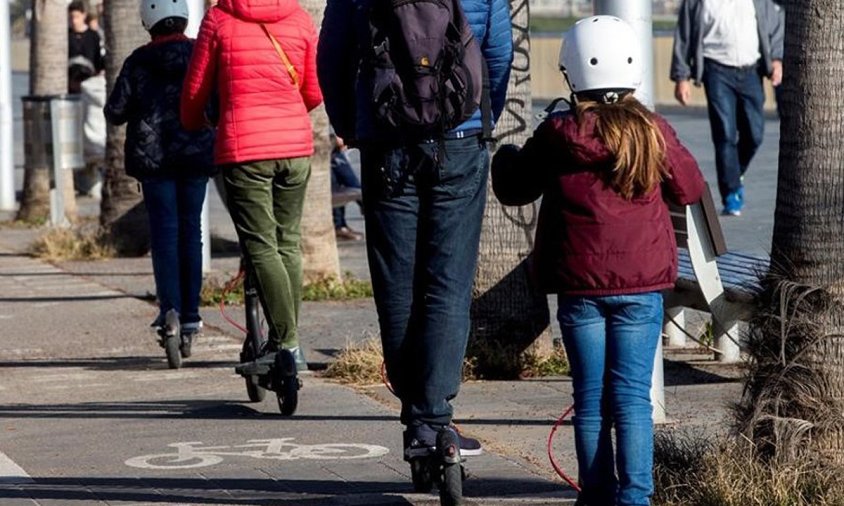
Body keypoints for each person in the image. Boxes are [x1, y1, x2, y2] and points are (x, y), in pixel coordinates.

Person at [492, 16, 706, 506]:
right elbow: (690, 188)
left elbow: (514, 187)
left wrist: (506, 154)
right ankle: (636, 499)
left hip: (580, 289)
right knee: (632, 400)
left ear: (571, 72)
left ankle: (595, 495)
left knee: (590, 400)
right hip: (640, 287)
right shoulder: (650, 130)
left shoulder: (557, 133)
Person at [318, 0, 513, 463]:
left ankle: (418, 422)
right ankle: (435, 417)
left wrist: (355, 125)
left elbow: (331, 57)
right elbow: (499, 54)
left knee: (396, 282)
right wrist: (478, 117)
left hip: (385, 138)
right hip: (460, 137)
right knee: (448, 282)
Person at [181, 0, 323, 371]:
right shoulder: (299, 16)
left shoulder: (219, 18)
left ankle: (288, 344)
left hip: (245, 149)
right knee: (288, 242)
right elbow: (314, 91)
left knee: (261, 246)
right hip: (295, 149)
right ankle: (289, 341)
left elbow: (196, 91)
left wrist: (195, 121)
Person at [104, 0, 216, 359]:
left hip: (153, 162)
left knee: (165, 234)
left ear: (146, 22)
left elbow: (115, 112)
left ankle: (169, 309)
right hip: (195, 153)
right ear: (184, 18)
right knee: (191, 234)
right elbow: (214, 102)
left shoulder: (138, 61)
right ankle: (192, 317)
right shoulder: (199, 51)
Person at [670, 0, 783, 216]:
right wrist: (681, 77)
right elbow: (683, 36)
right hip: (716, 70)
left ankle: (734, 171)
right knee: (725, 134)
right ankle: (731, 194)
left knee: (755, 133)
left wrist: (777, 60)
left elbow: (776, 24)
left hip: (751, 71)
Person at [330, 134, 363, 241]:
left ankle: (340, 226)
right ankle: (339, 226)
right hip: (327, 146)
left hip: (333, 147)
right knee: (336, 189)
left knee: (354, 186)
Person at [68, 0, 105, 94]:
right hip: (69, 86)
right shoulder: (66, 36)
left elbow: (98, 62)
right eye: (71, 17)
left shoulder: (93, 36)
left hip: (89, 86)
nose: (74, 21)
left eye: (76, 17)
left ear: (84, 15)